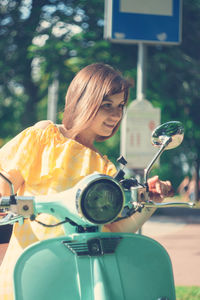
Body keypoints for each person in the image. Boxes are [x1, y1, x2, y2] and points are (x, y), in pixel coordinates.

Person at [0, 63, 173, 299]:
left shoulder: (105, 168)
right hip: (29, 270)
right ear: (84, 101)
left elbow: (112, 230)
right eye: (107, 106)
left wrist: (149, 203)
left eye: (120, 106)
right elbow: (4, 180)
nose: (116, 115)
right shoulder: (44, 137)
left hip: (77, 277)